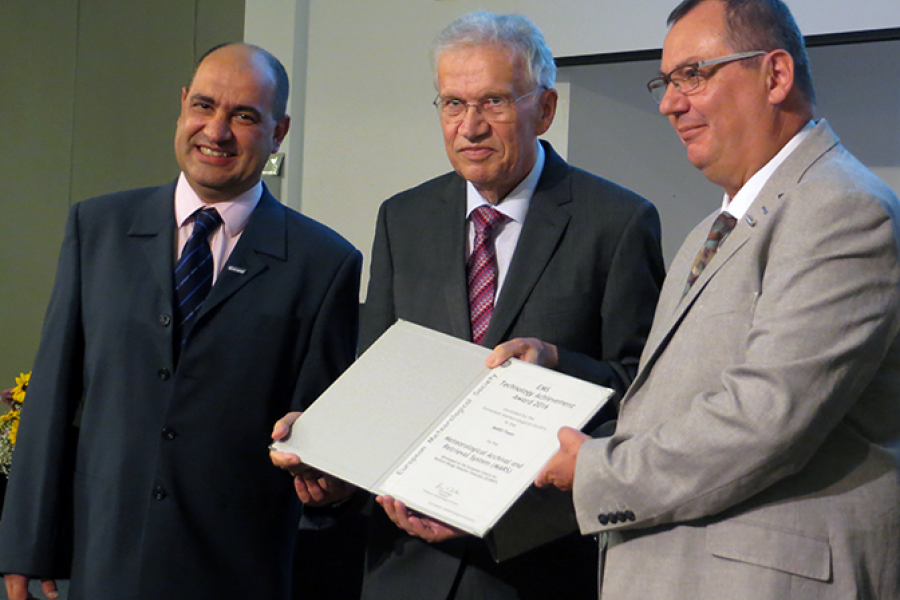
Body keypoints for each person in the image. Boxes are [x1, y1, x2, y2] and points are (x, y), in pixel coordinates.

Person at [274, 10, 666, 600]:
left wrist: (558, 363)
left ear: (544, 110)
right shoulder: (402, 219)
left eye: (494, 103)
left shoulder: (617, 222)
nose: (470, 126)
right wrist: (332, 461)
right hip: (404, 564)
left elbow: (645, 394)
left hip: (535, 567)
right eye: (453, 104)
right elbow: (376, 381)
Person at [524, 0, 900, 598]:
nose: (669, 103)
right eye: (666, 81)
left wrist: (599, 470)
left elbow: (766, 416)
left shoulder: (841, 208)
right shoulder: (711, 230)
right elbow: (669, 409)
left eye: (693, 75)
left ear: (775, 75)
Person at [0, 43, 361, 600]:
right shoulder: (97, 228)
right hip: (105, 563)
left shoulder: (325, 263)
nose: (216, 132)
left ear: (279, 131)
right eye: (204, 106)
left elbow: (317, 438)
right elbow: (51, 394)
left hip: (236, 571)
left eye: (244, 116)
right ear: (182, 107)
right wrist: (25, 542)